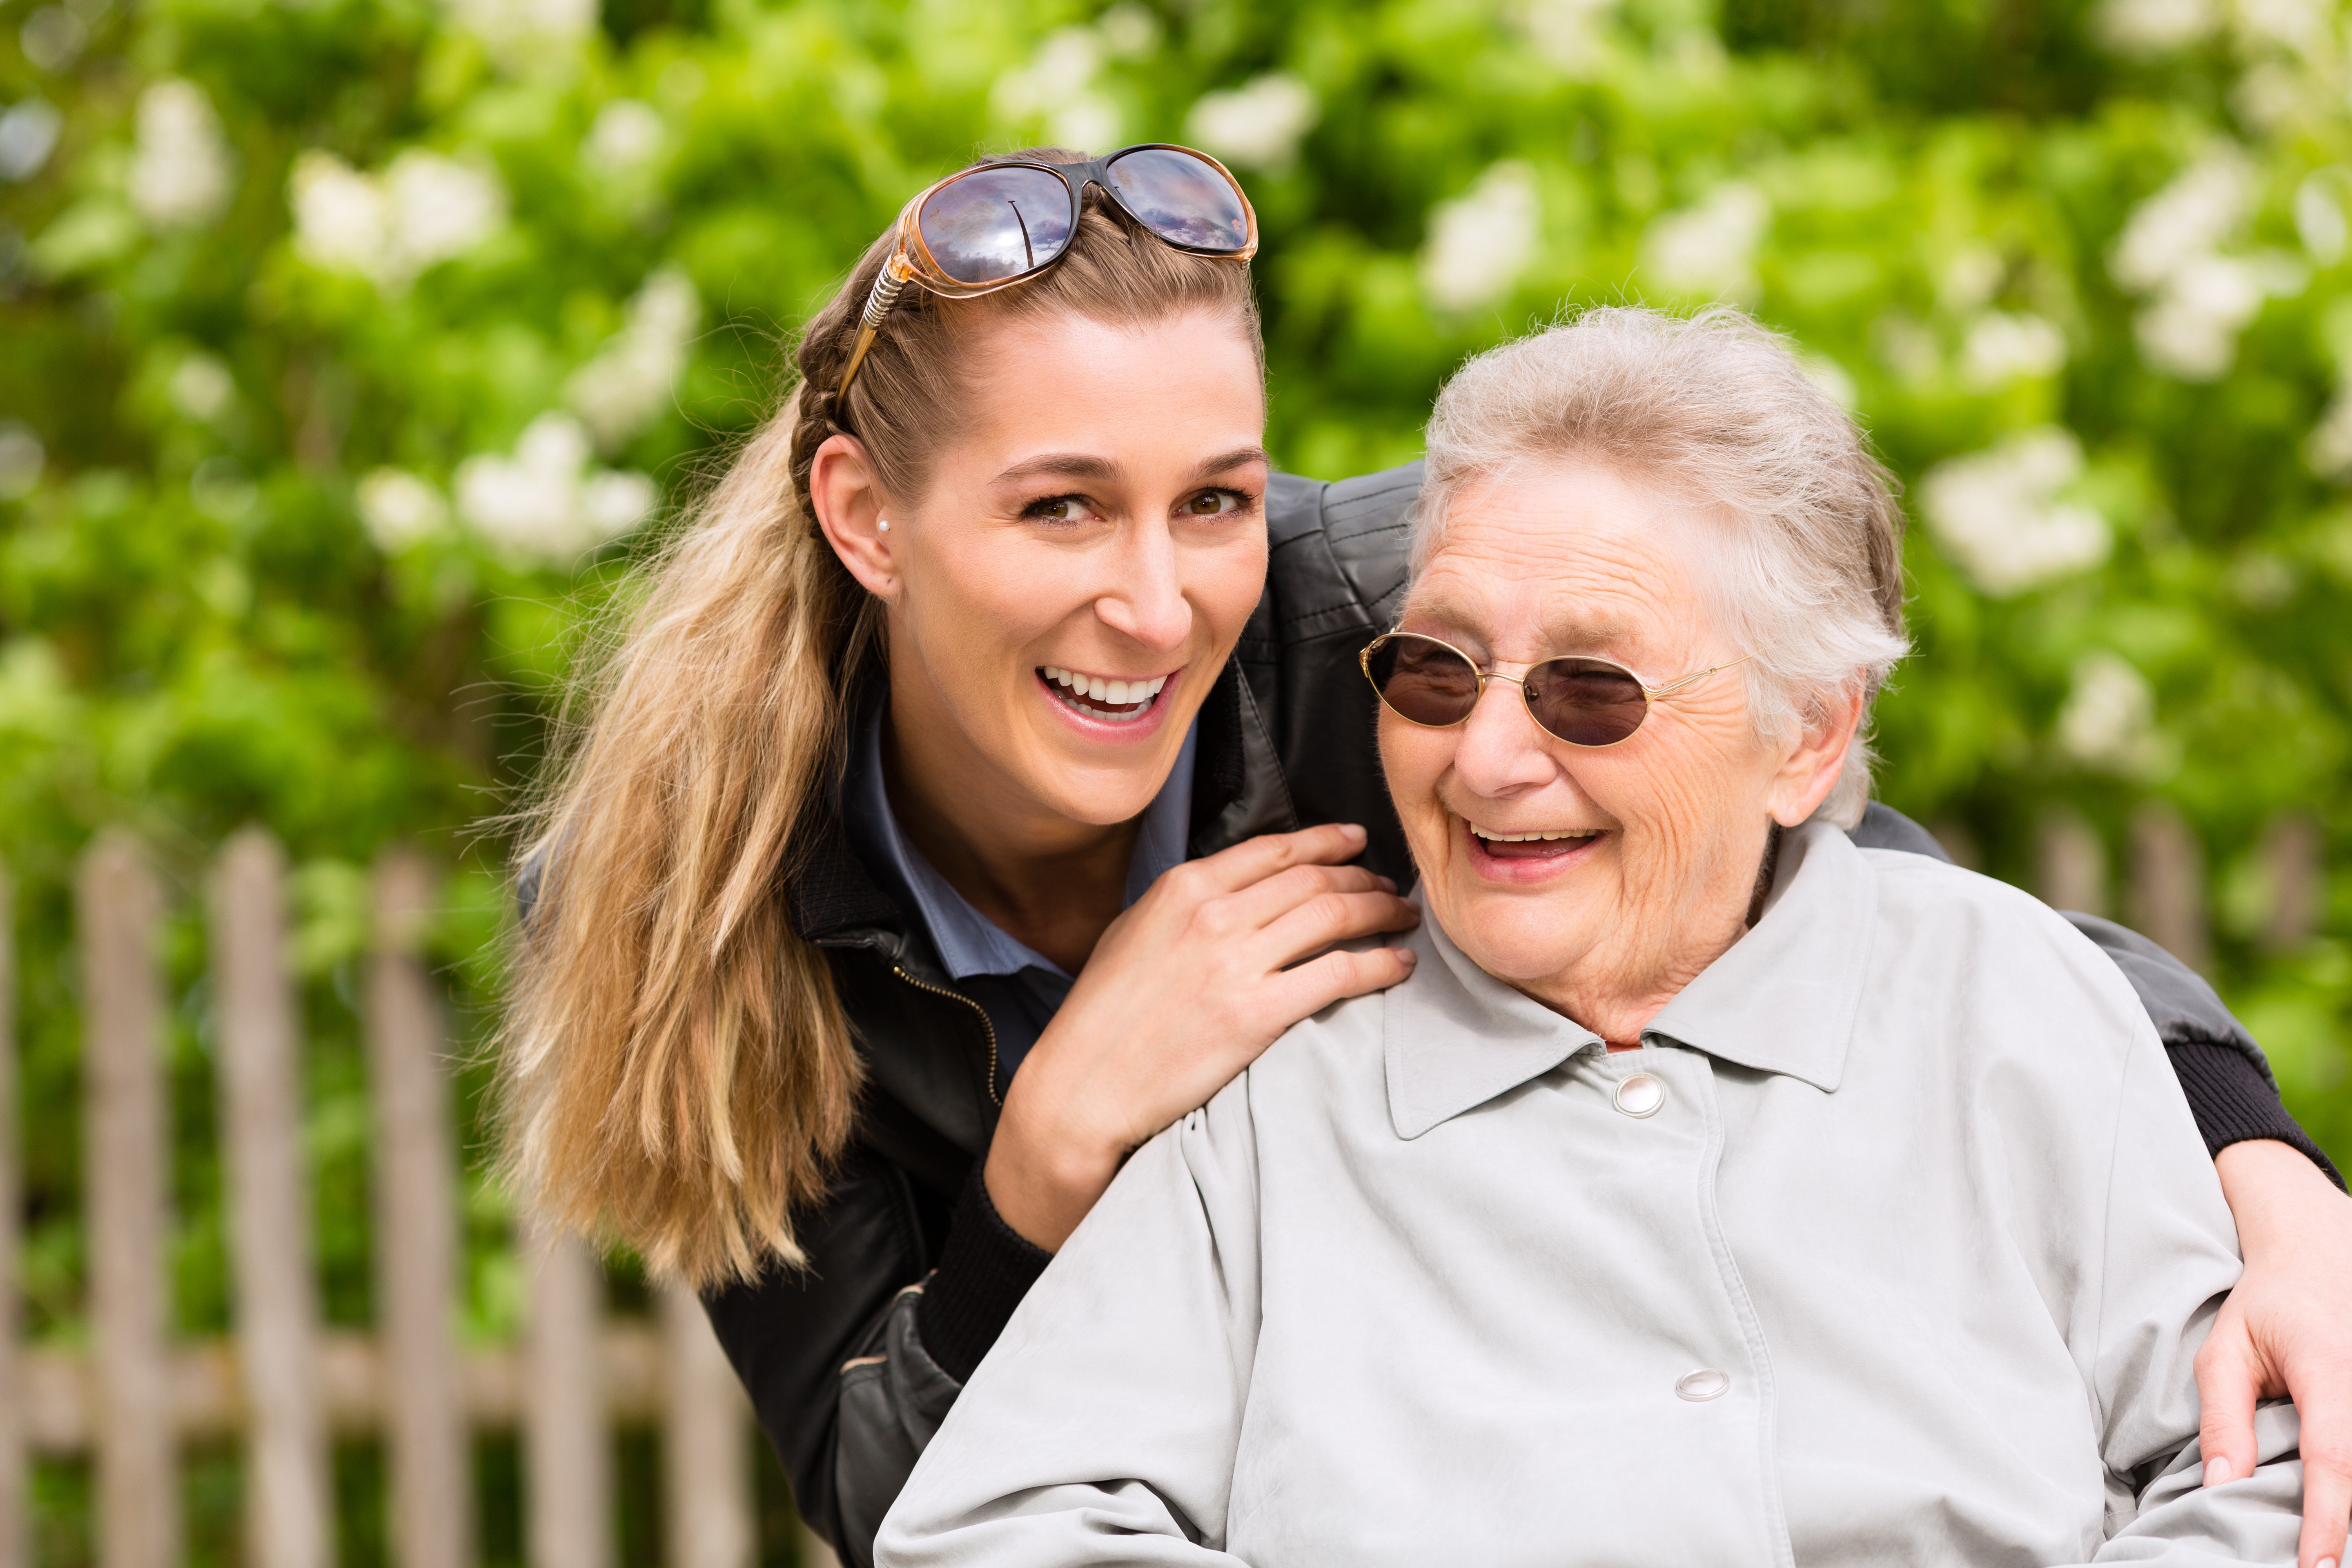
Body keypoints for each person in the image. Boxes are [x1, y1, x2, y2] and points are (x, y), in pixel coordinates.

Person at [496, 148, 2352, 1568]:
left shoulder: (1401, 602)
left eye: (1215, 498)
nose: (1156, 603)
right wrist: (1052, 1155)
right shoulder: (683, 898)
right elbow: (901, 1498)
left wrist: (2269, 1181)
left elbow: (1855, 897)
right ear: (867, 517)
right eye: (1061, 505)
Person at [874, 307, 2309, 1567]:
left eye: (1591, 690)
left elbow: (2266, 1480)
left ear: (1806, 738)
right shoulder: (1263, 1092)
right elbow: (1001, 1527)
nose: (1485, 759)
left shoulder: (2010, 1006)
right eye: (1436, 671)